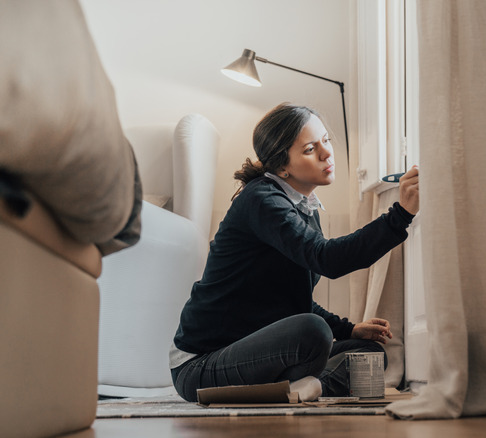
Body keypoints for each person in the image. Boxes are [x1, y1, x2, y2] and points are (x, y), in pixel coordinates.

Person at [170, 103, 420, 402]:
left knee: (368, 354)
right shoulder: (262, 201)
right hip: (200, 365)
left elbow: (291, 301)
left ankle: (301, 389)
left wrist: (350, 329)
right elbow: (327, 259)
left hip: (252, 352)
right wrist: (400, 215)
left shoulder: (304, 207)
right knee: (312, 332)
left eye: (326, 141)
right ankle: (297, 387)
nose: (327, 153)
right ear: (282, 166)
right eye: (311, 149)